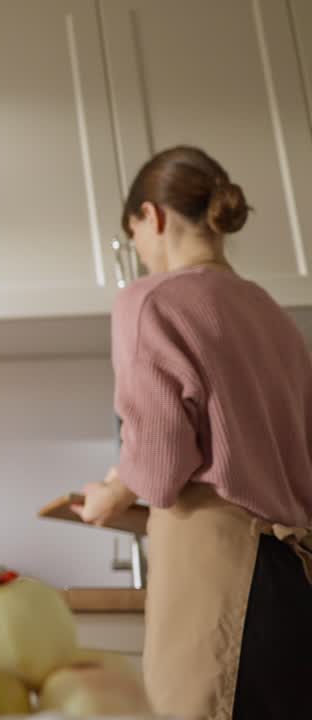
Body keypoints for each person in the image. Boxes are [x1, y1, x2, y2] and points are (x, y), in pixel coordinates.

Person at [73, 146, 312, 719]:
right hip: (295, 583)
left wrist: (112, 493)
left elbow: (160, 468)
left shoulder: (149, 301)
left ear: (150, 218)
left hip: (222, 582)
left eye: (135, 236)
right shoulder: (274, 315)